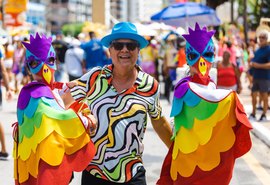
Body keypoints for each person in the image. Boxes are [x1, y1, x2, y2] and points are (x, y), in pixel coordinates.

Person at [68, 21, 173, 185]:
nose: (124, 49)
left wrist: (178, 153)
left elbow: (158, 121)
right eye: (118, 45)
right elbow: (63, 102)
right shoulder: (94, 78)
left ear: (138, 50)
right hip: (95, 173)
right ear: (110, 50)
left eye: (130, 45)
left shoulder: (149, 85)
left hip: (132, 174)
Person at [157, 23, 252, 185]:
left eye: (206, 54)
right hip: (188, 162)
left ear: (213, 56)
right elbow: (206, 97)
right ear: (187, 59)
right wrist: (232, 97)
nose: (201, 62)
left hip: (210, 160)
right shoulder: (184, 87)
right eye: (194, 56)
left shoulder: (211, 85)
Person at [13, 33, 96, 184]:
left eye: (49, 61)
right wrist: (86, 121)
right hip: (44, 165)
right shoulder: (36, 92)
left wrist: (68, 88)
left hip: (50, 160)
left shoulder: (46, 90)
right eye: (34, 64)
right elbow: (56, 118)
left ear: (55, 62)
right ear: (28, 67)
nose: (43, 68)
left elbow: (59, 97)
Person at [249, 30, 270, 121]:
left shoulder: (269, 49)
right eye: (260, 37)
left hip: (265, 77)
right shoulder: (258, 49)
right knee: (253, 95)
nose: (261, 39)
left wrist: (258, 65)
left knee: (264, 95)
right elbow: (255, 61)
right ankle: (253, 114)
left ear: (267, 39)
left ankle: (264, 115)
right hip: (256, 76)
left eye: (263, 37)